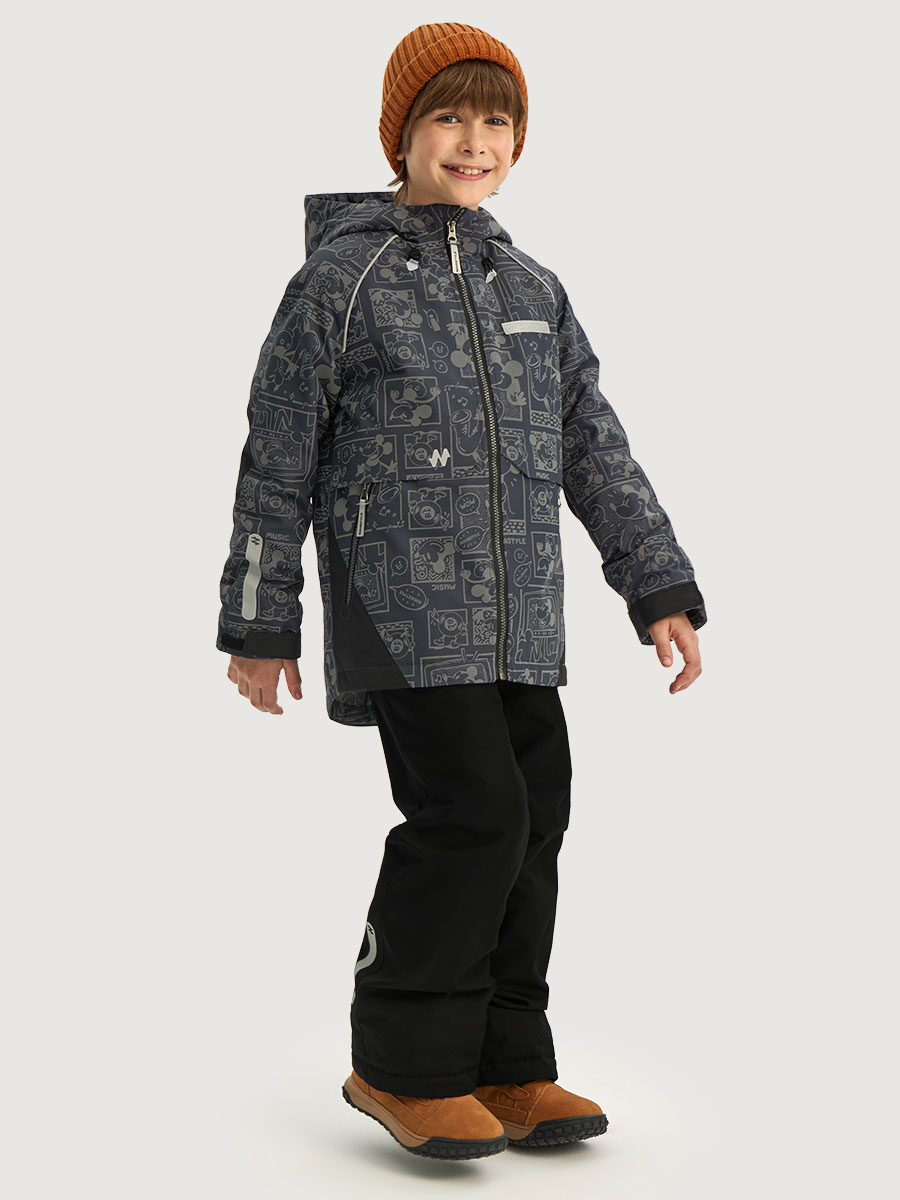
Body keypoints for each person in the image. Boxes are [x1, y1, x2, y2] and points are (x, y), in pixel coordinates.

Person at [216, 22, 706, 1160]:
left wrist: (657, 585)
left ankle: (506, 1061)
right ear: (402, 135)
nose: (473, 140)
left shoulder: (531, 285)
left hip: (522, 611)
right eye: (448, 116)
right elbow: (276, 456)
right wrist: (259, 619)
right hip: (403, 603)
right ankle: (402, 1064)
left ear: (519, 142)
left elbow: (594, 446)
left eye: (496, 120)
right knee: (472, 813)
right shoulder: (340, 280)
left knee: (535, 814)